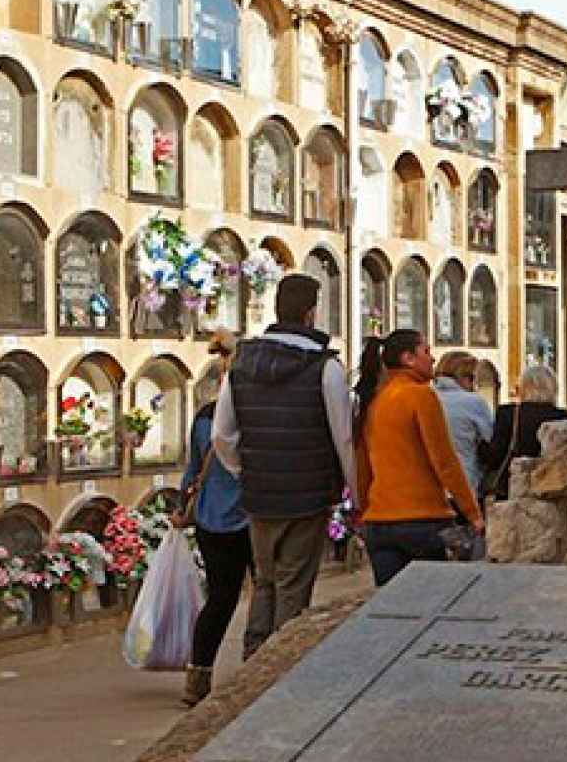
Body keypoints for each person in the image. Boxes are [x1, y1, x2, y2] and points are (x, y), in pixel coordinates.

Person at [213, 274, 356, 659]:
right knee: (293, 584)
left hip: (260, 496)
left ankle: (253, 658)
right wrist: (354, 493)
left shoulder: (242, 361)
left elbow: (223, 435)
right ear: (311, 313)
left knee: (264, 581)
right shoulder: (325, 367)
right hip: (307, 496)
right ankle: (278, 666)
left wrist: (245, 471)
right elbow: (343, 437)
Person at [353, 330, 483, 587]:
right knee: (431, 604)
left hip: (379, 522)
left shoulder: (374, 401)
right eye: (426, 351)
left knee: (392, 609)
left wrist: (365, 508)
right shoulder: (421, 396)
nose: (433, 359)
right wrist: (472, 513)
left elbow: (362, 467)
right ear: (408, 358)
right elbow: (444, 460)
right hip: (422, 519)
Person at [178, 334, 248, 706]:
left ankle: (198, 676)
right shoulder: (254, 415)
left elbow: (192, 466)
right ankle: (259, 670)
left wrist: (181, 504)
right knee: (266, 593)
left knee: (220, 599)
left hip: (209, 519)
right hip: (252, 516)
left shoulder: (205, 417)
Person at [481, 365, 567, 501]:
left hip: (514, 486)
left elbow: (495, 455)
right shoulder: (565, 417)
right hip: (552, 486)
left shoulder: (508, 413)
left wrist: (479, 445)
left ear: (523, 387)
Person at [432, 350, 493, 499]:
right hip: (464, 484)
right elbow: (489, 438)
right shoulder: (473, 402)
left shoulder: (425, 397)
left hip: (429, 488)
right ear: (466, 377)